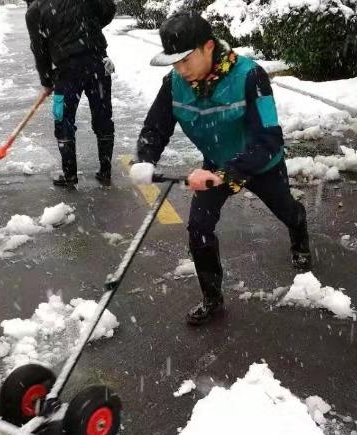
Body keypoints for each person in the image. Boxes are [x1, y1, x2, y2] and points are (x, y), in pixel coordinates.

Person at [130, 11, 312, 326]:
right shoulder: (174, 83)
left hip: (261, 165)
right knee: (199, 228)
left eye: (186, 60)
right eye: (174, 62)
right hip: (216, 163)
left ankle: (299, 229)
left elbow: (269, 137)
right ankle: (212, 298)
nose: (180, 69)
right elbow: (156, 126)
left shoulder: (250, 76)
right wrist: (145, 157)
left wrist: (229, 173)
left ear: (209, 47)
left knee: (286, 210)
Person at [25, 0, 116, 186]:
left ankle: (69, 175)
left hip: (66, 70)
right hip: (98, 62)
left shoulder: (35, 11)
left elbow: (39, 50)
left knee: (63, 119)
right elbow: (109, 8)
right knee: (103, 116)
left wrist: (46, 80)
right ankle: (105, 171)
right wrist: (89, 25)